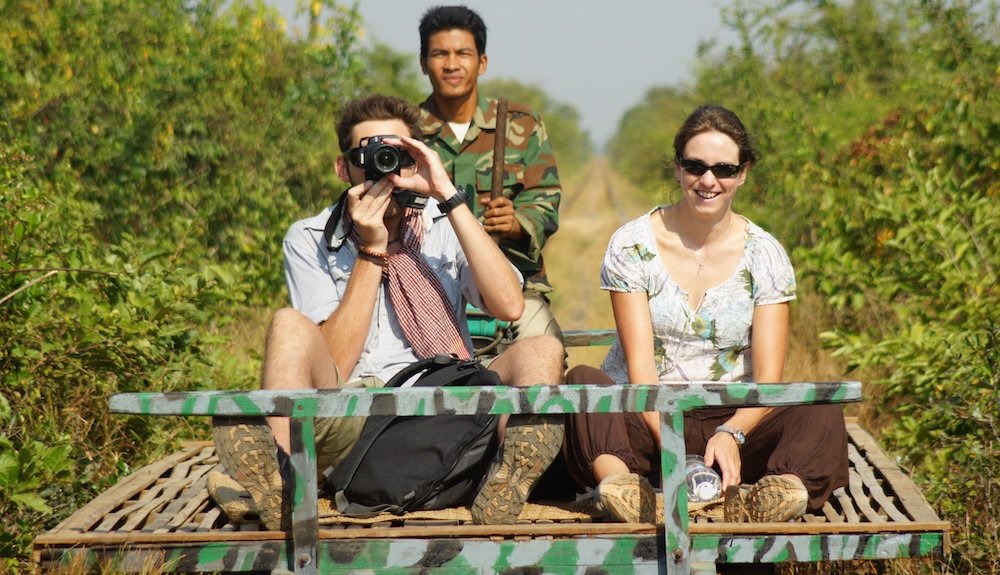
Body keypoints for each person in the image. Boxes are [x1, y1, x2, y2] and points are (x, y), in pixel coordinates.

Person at [208, 94, 565, 530]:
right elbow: (334, 362)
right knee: (288, 324)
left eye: (396, 153)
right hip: (351, 412)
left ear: (414, 158)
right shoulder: (309, 238)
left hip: (446, 405)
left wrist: (448, 196)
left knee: (541, 350)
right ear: (344, 168)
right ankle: (283, 482)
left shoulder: (443, 222)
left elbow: (509, 305)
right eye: (369, 155)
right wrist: (372, 249)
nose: (383, 168)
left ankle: (507, 479)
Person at [559, 104, 849, 525]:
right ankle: (621, 488)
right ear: (678, 169)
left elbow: (769, 380)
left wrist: (733, 433)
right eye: (696, 166)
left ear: (742, 173)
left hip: (732, 418)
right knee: (583, 381)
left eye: (724, 169)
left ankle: (783, 491)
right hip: (646, 415)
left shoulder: (765, 254)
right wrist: (672, 444)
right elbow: (641, 372)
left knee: (821, 404)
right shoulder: (631, 245)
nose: (709, 180)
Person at [416, 5, 564, 351]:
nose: (452, 65)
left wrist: (515, 223)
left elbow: (546, 202)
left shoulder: (521, 124)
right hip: (428, 289)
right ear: (424, 62)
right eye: (440, 54)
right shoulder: (406, 132)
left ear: (482, 62)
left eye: (463, 53)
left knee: (544, 357)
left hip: (516, 290)